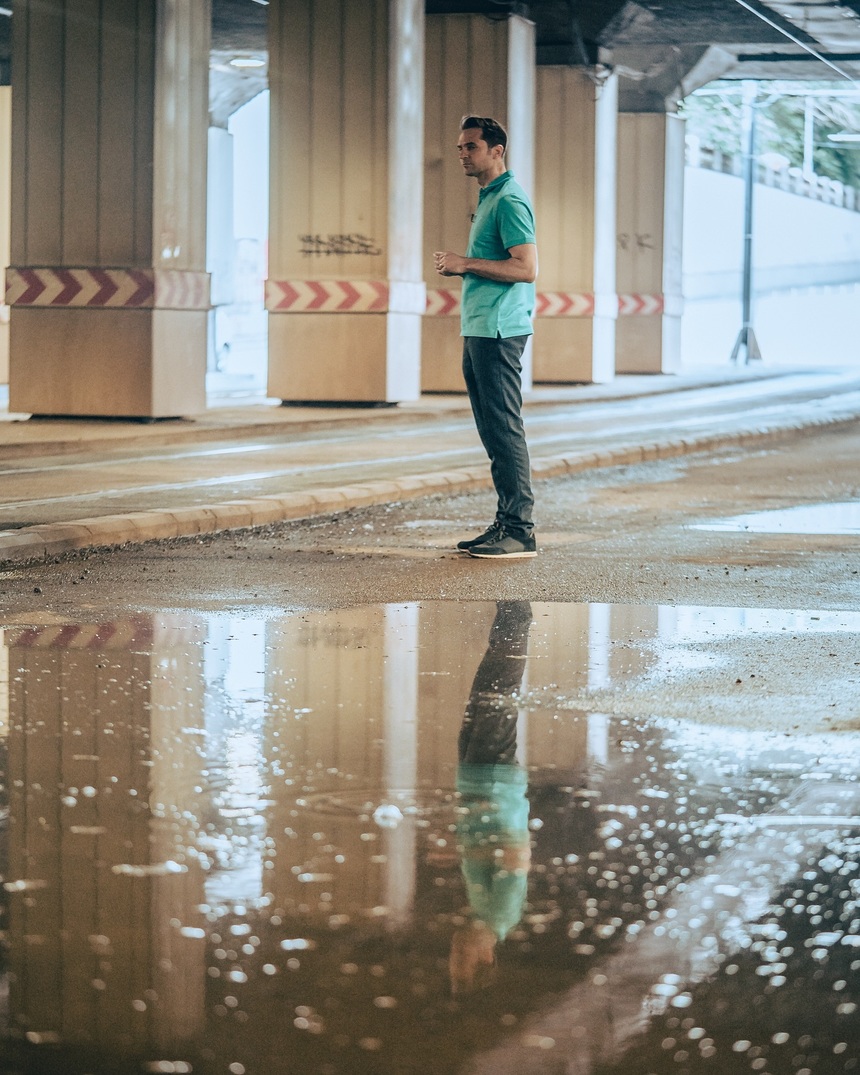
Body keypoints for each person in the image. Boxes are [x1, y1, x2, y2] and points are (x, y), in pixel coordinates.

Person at [434, 116, 538, 559]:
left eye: (471, 147)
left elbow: (526, 268)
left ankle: (519, 530)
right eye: (460, 147)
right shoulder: (490, 197)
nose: (462, 154)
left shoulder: (510, 200)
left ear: (497, 151)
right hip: (479, 327)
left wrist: (466, 263)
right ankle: (505, 523)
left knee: (504, 429)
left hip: (498, 331)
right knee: (492, 432)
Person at [448, 600, 533, 994]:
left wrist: (462, 844)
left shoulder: (480, 910)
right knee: (500, 687)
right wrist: (474, 840)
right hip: (495, 779)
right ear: (486, 956)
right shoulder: (501, 913)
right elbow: (517, 853)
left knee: (487, 682)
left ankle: (511, 607)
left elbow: (487, 847)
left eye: (452, 959)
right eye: (461, 959)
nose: (454, 950)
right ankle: (517, 608)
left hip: (476, 777)